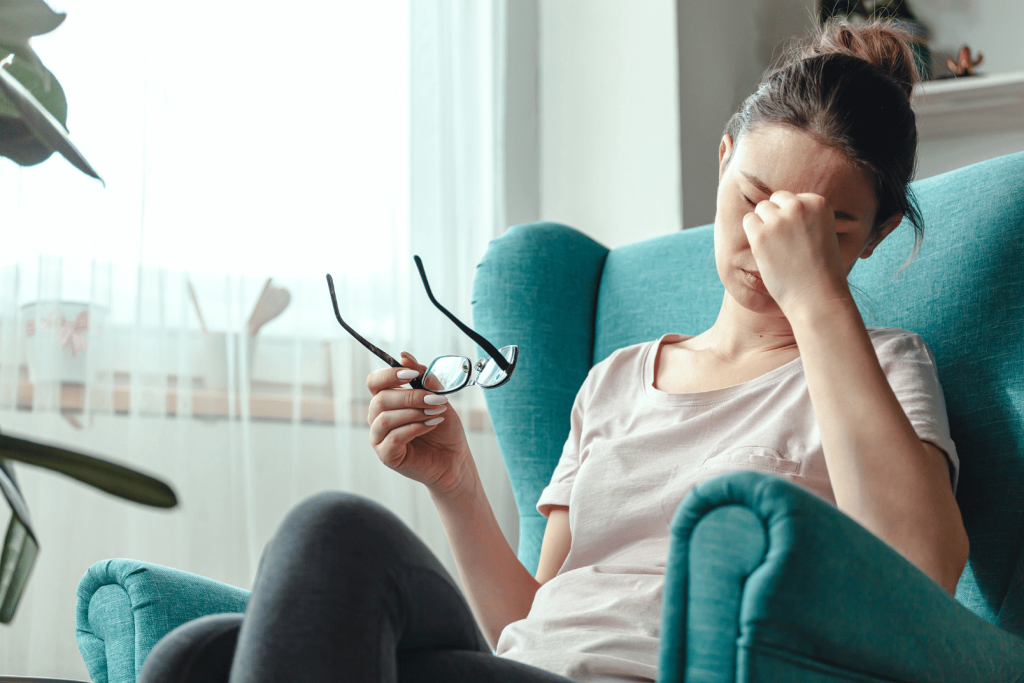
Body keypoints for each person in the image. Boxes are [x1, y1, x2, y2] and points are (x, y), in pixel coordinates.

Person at [139, 16, 968, 683]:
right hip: (526, 665)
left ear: (877, 233)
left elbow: (920, 568)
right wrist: (458, 484)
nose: (766, 242)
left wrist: (816, 295)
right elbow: (535, 618)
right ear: (722, 160)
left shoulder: (883, 370)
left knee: (334, 532)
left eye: (824, 226)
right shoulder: (614, 381)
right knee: (194, 655)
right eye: (752, 200)